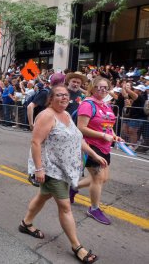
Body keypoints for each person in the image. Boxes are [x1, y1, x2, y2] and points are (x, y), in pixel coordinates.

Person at [20, 85, 105, 263]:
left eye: (66, 95)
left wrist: (94, 154)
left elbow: (77, 138)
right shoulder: (46, 115)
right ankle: (77, 247)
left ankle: (25, 223)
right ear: (50, 99)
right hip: (51, 169)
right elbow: (35, 143)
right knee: (65, 207)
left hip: (65, 168)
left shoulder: (66, 115)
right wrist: (39, 169)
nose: (64, 98)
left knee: (43, 196)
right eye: (59, 95)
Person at [73, 77, 123, 225]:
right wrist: (103, 135)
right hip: (90, 145)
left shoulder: (106, 105)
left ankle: (73, 187)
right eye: (99, 87)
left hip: (105, 146)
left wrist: (114, 135)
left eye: (106, 88)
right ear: (93, 88)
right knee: (97, 179)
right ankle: (94, 209)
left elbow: (108, 125)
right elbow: (81, 128)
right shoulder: (87, 104)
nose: (103, 90)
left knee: (103, 179)